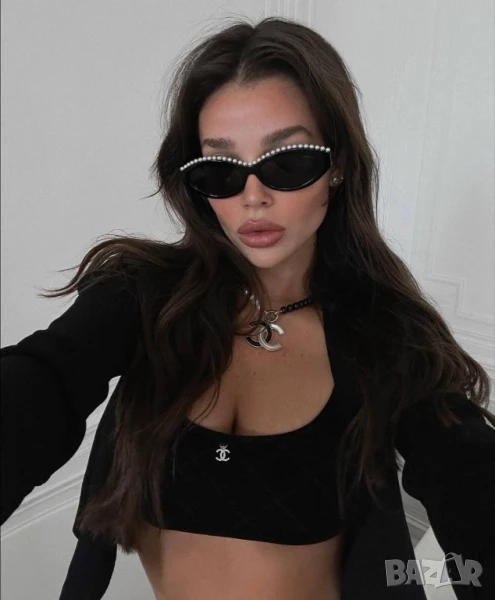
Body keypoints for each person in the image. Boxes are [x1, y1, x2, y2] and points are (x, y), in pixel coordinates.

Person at [1, 15, 494, 600]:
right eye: (220, 169)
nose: (253, 197)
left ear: (337, 166)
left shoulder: (386, 333)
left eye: (288, 161)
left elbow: (468, 475)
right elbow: (44, 378)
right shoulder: (140, 295)